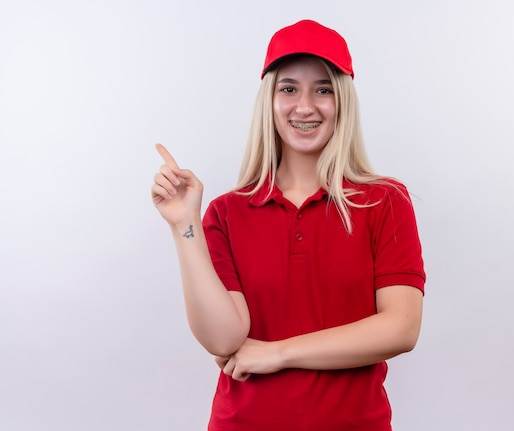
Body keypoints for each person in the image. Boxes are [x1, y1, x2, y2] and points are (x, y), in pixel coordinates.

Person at [152, 19, 425, 431]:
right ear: (270, 100)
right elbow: (224, 339)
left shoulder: (385, 201)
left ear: (343, 101)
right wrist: (183, 224)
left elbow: (400, 327)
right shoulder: (227, 212)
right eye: (289, 88)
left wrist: (277, 353)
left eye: (323, 89)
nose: (305, 106)